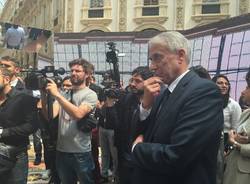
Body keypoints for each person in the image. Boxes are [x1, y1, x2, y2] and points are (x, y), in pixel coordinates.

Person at [131, 31, 224, 184]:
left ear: (181, 56)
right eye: (150, 59)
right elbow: (142, 133)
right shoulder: (162, 93)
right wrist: (145, 106)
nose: (152, 66)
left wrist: (137, 149)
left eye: (158, 57)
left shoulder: (204, 91)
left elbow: (178, 155)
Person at [41, 58, 98, 184]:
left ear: (87, 74)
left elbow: (78, 114)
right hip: (62, 150)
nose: (73, 73)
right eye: (72, 70)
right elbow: (50, 115)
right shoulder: (64, 93)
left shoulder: (90, 94)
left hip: (81, 151)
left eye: (78, 70)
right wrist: (43, 94)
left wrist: (57, 95)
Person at [0, 56, 42, 165]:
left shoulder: (25, 92)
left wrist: (3, 133)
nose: (3, 67)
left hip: (15, 149)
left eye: (7, 65)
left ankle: (38, 156)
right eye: (1, 65)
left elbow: (31, 124)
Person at [115, 66, 153, 184]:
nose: (132, 84)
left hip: (145, 156)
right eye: (131, 80)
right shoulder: (127, 99)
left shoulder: (157, 101)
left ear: (148, 83)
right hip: (125, 154)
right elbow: (119, 124)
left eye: (137, 81)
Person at [223, 83, 250, 184]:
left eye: (247, 87)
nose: (243, 91)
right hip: (232, 166)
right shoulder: (246, 113)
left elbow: (235, 140)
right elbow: (236, 133)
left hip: (245, 174)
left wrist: (235, 143)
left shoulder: (234, 106)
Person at [212, 75, 242, 152]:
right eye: (220, 83)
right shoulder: (207, 102)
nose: (224, 86)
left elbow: (236, 129)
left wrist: (228, 148)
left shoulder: (233, 105)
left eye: (226, 84)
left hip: (224, 141)